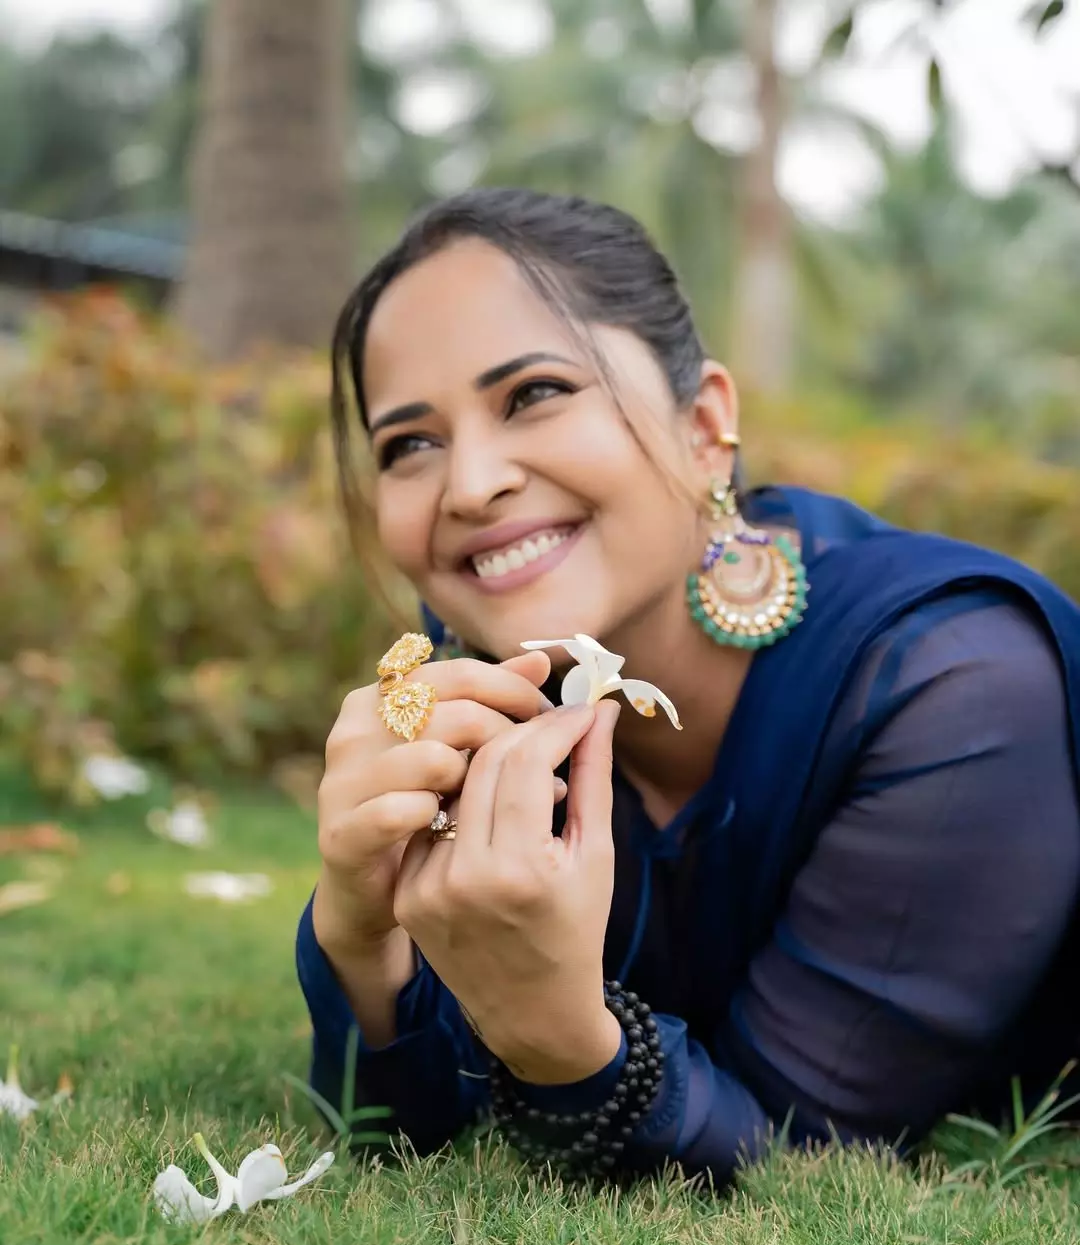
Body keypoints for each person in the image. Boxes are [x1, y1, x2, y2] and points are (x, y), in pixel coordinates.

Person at [297, 187, 1080, 1187]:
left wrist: (565, 1038)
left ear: (706, 423)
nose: (469, 485)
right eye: (409, 443)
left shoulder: (955, 683)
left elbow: (799, 1154)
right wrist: (360, 934)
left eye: (534, 393)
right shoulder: (491, 693)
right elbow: (400, 1132)